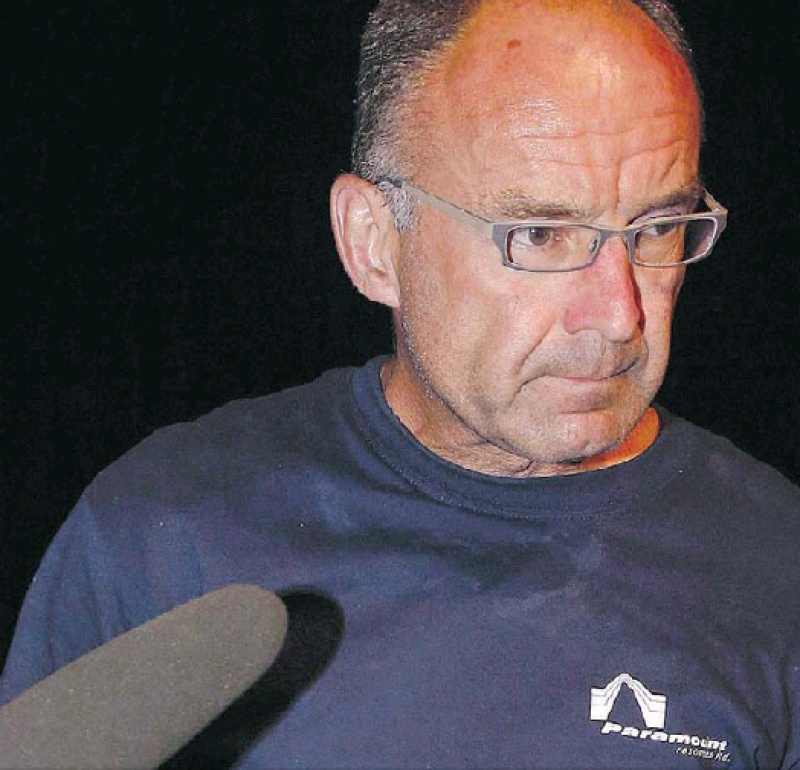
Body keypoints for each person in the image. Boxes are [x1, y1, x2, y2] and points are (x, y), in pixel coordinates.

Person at [2, 0, 799, 767]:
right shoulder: (161, 533)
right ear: (374, 243)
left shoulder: (775, 564)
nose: (619, 315)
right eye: (540, 234)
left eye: (657, 228)